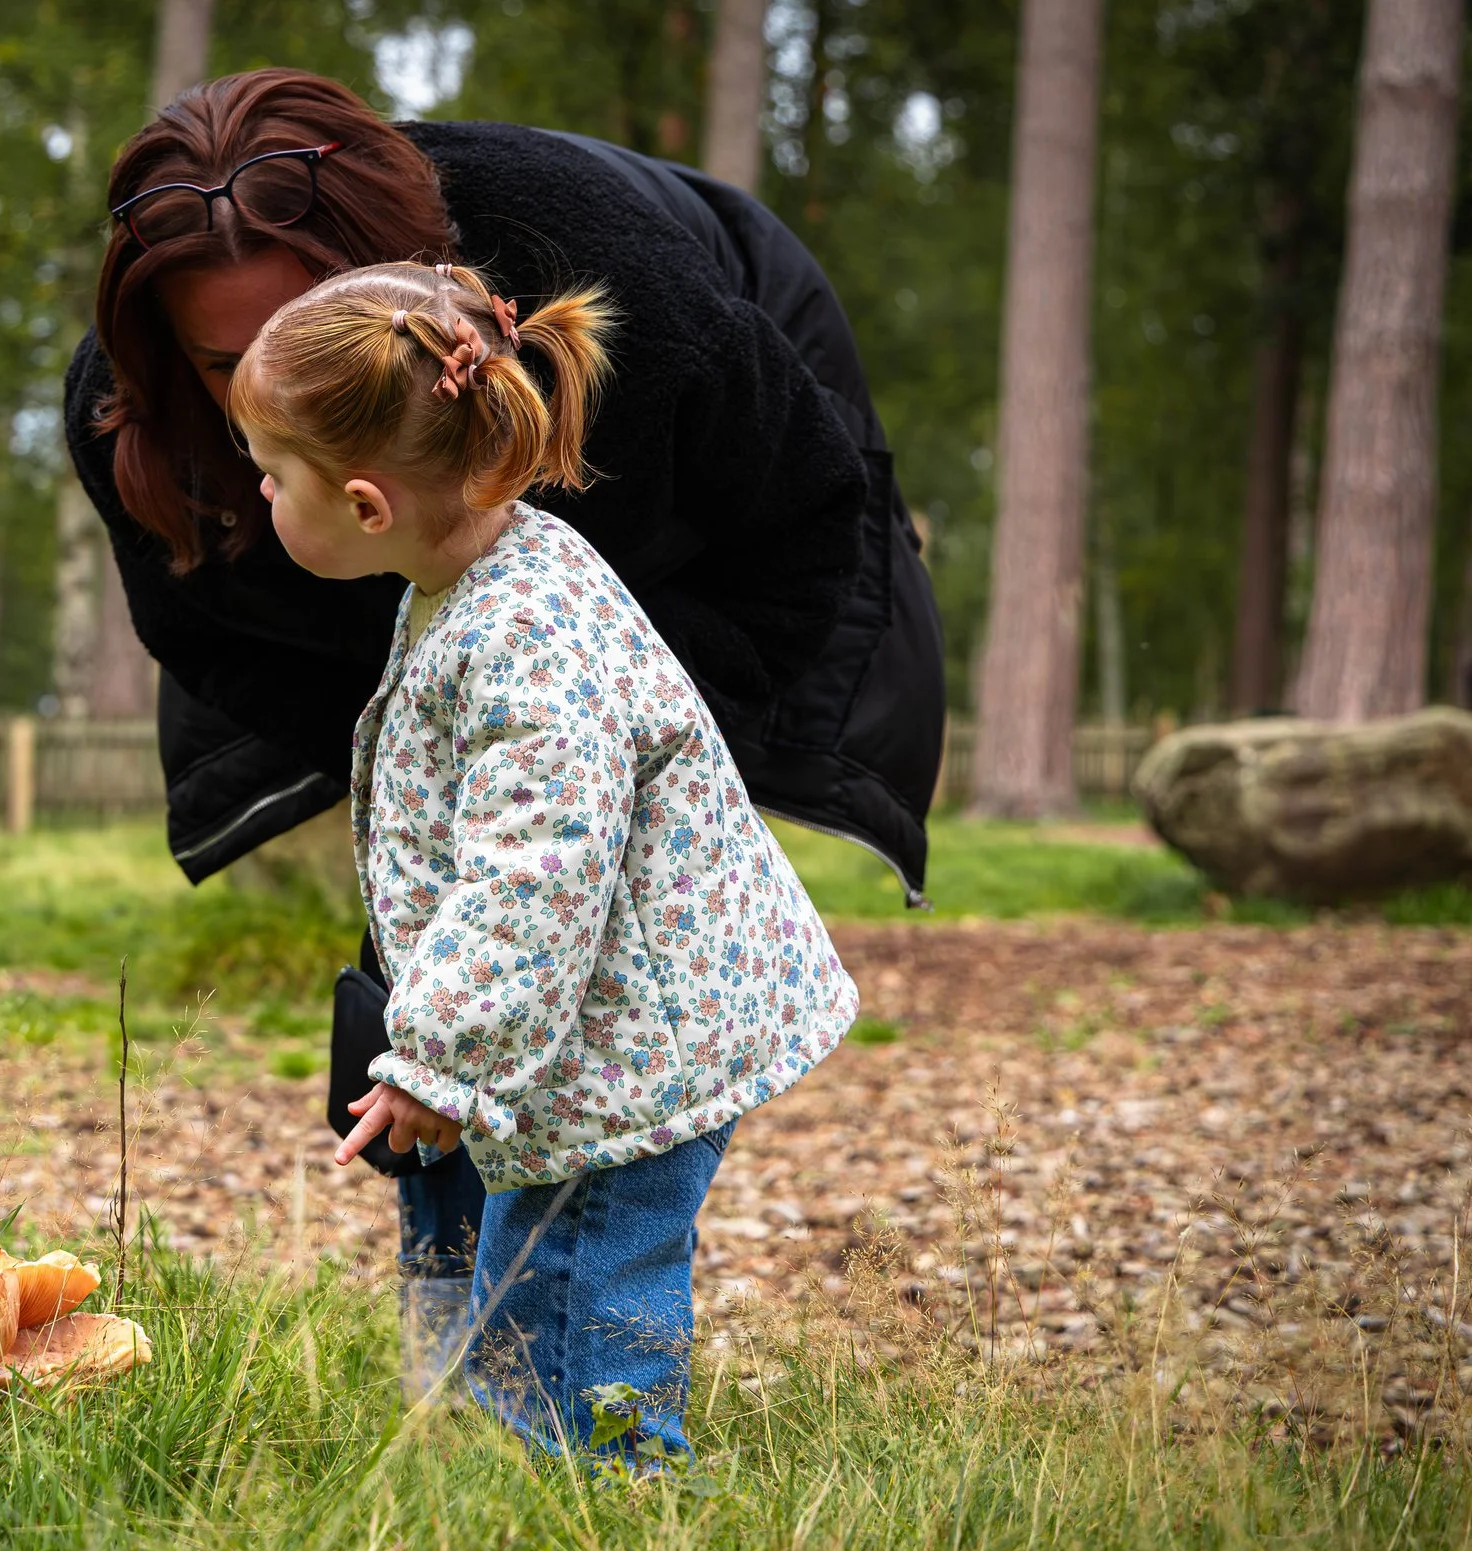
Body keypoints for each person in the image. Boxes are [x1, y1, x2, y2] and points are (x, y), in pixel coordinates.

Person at [63, 69, 939, 1316]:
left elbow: (798, 536)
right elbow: (216, 643)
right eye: (230, 366)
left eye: (318, 340)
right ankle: (462, 1311)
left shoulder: (630, 294)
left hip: (689, 465)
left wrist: (611, 731)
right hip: (439, 623)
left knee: (570, 913)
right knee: (463, 930)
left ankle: (585, 1372)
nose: (287, 381)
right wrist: (427, 757)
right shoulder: (133, 409)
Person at [231, 258, 857, 1459]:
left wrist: (439, 1063)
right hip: (614, 1023)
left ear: (366, 504)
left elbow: (534, 873)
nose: (258, 496)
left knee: (575, 1289)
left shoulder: (523, 642)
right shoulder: (483, 572)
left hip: (633, 1046)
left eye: (271, 478)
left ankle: (613, 1494)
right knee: (546, 1273)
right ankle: (556, 1461)